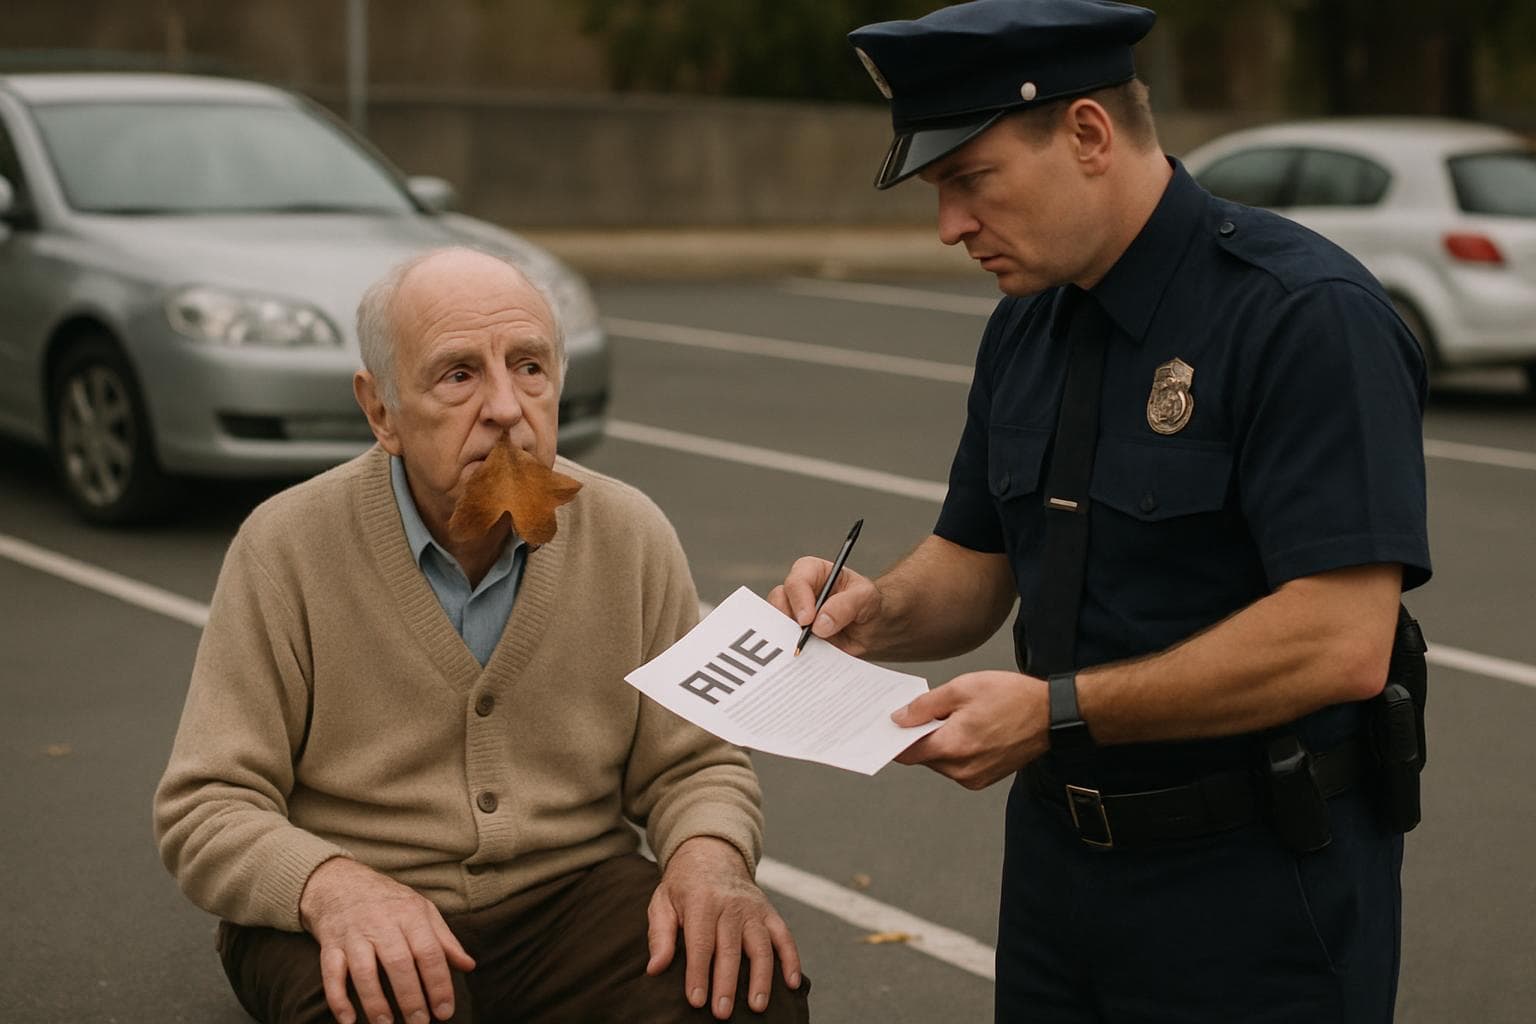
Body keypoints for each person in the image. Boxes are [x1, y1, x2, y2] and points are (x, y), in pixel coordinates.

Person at [769, 1, 1430, 1021]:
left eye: (970, 179)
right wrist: (873, 611)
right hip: (1058, 874)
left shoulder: (1302, 316)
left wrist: (1055, 712)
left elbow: (1340, 641)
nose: (949, 226)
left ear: (1087, 134)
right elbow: (976, 563)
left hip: (1255, 883)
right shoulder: (1028, 323)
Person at [155, 247, 809, 1024]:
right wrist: (330, 887)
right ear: (381, 410)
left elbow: (694, 763)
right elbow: (208, 804)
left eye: (529, 368)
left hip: (569, 900)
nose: (505, 407)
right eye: (459, 374)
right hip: (352, 895)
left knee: (745, 990)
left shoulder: (628, 532)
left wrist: (710, 861)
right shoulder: (286, 546)